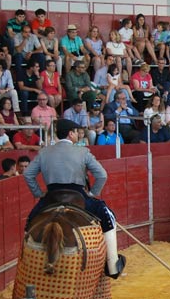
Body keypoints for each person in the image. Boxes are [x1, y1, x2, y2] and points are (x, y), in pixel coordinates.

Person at [23, 119, 124, 278]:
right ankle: (113, 266)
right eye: (77, 132)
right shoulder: (82, 152)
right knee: (108, 215)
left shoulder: (44, 152)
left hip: (51, 197)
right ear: (71, 133)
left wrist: (38, 193)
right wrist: (92, 193)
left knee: (30, 222)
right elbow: (101, 175)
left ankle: (26, 264)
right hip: (77, 195)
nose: (79, 134)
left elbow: (28, 174)